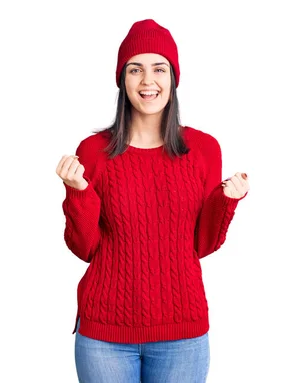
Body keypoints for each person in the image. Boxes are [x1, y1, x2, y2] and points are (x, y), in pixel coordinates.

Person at [55, 19, 249, 383]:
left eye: (159, 69)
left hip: (183, 334)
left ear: (173, 78)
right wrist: (77, 192)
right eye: (135, 69)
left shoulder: (203, 150)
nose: (148, 81)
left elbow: (201, 245)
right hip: (104, 336)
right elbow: (85, 247)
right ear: (122, 79)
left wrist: (226, 202)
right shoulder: (93, 152)